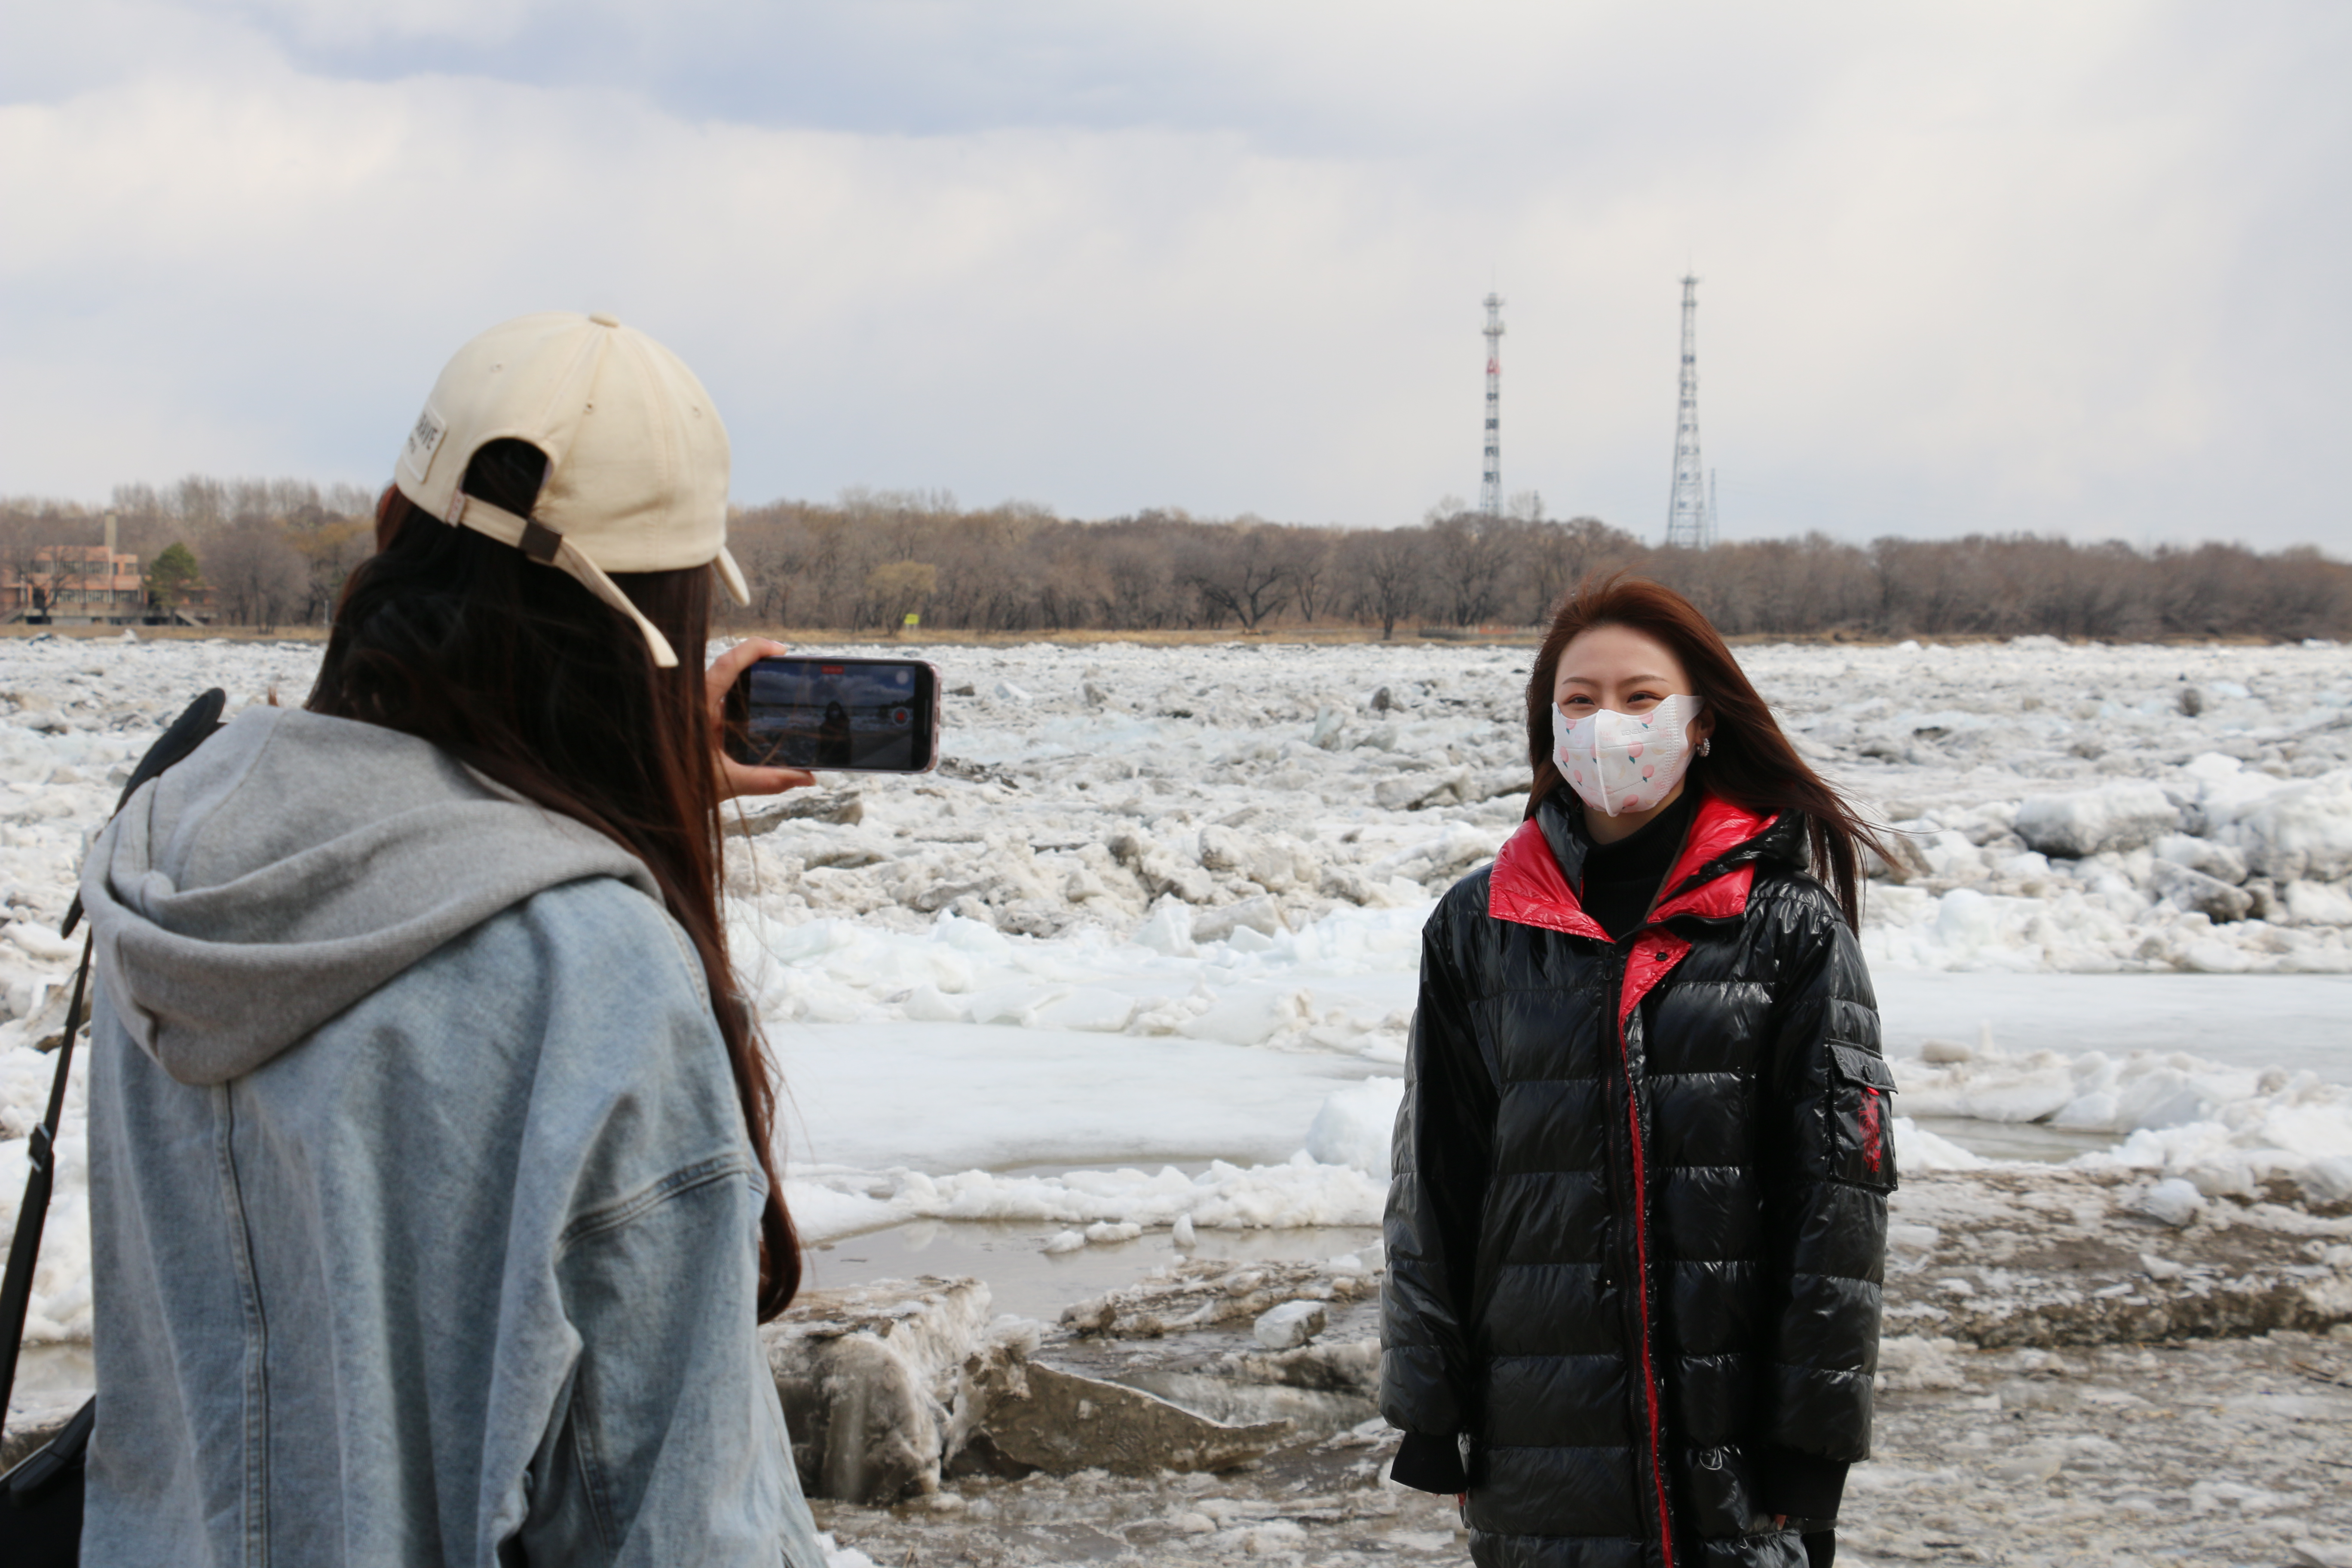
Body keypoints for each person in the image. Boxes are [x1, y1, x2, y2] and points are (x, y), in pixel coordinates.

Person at [77, 311, 829, 1565]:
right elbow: (678, 1528)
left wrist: (628, 780)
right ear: (671, 617)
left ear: (387, 529)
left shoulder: (175, 847)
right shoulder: (594, 975)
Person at [1380, 574, 1896, 1568]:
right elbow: (1433, 1184)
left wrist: (1811, 1443)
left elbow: (1837, 1205)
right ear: (1548, 726)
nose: (1607, 725)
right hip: (1539, 1438)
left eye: (1641, 697)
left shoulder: (1787, 928)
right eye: (1579, 701)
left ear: (1702, 722)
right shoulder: (1479, 927)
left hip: (1732, 1444)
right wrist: (1430, 1408)